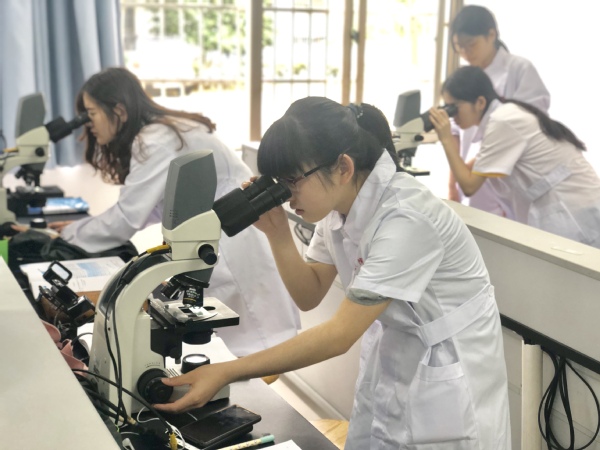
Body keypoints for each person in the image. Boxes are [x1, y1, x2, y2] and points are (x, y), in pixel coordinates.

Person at [155, 97, 512, 449]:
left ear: (343, 167)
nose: (286, 195)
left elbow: (339, 335)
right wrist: (277, 232)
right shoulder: (340, 204)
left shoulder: (407, 218)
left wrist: (227, 371)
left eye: (292, 180)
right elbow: (309, 294)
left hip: (448, 366)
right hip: (398, 352)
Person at [48, 67, 300, 356]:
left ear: (119, 111)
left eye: (91, 114)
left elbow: (127, 217)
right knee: (241, 350)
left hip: (231, 243)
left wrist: (67, 236)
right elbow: (150, 208)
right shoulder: (165, 131)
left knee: (252, 349)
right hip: (221, 235)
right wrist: (80, 228)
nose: (88, 124)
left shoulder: (155, 139)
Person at [430, 66, 600, 248]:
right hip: (569, 205)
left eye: (453, 108)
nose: (451, 116)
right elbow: (473, 169)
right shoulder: (505, 115)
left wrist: (446, 139)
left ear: (480, 102)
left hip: (573, 209)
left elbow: (469, 185)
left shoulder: (503, 121)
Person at [448, 4, 551, 217]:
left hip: (506, 172)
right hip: (473, 174)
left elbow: (529, 126)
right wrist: (453, 181)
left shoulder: (519, 69)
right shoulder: (464, 77)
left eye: (471, 44)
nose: (465, 53)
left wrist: (471, 169)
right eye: (459, 47)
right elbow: (454, 132)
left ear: (491, 35)